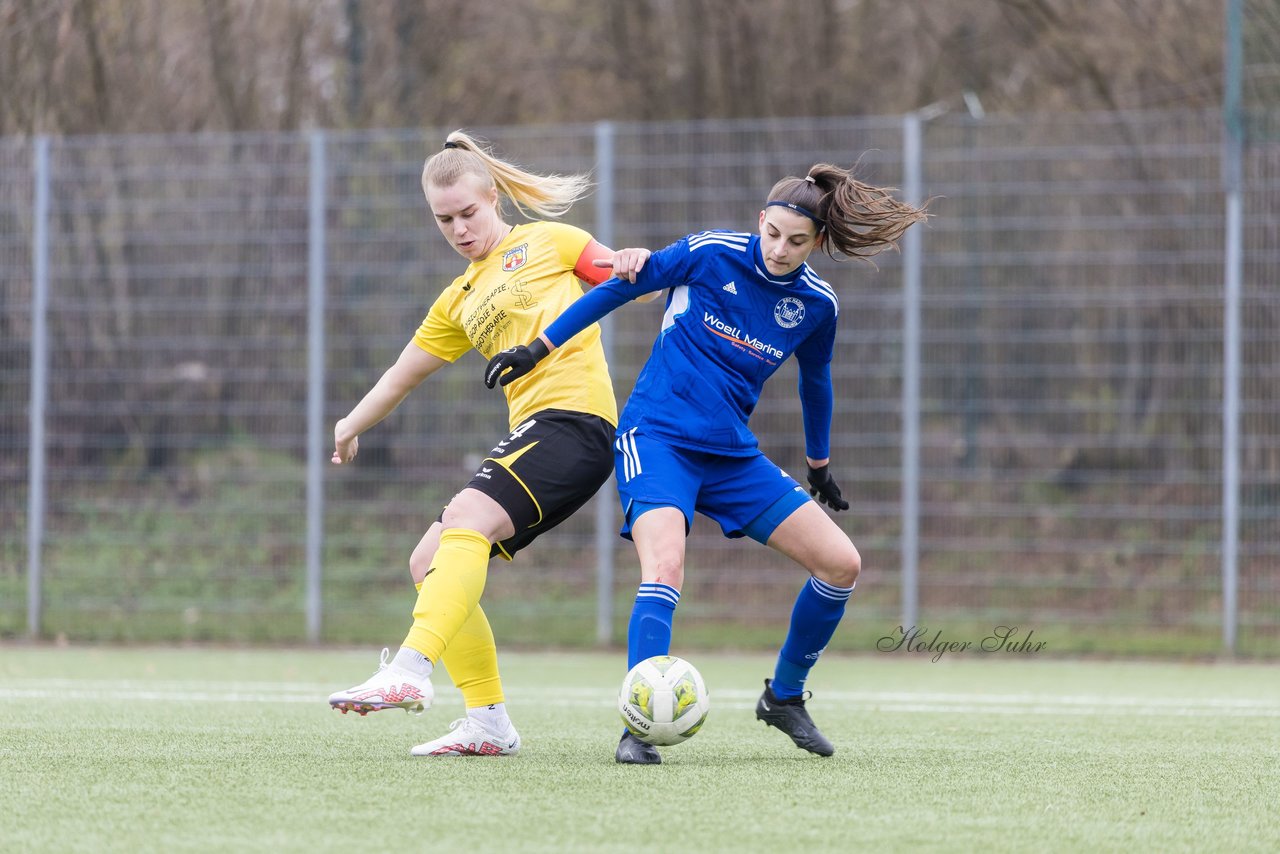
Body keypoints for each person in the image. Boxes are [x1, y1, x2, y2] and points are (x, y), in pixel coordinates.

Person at [486, 162, 929, 764]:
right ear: (760, 221)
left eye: (797, 241)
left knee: (841, 563)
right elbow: (621, 285)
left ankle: (785, 698)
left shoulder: (816, 305)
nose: (780, 249)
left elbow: (816, 382)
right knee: (665, 566)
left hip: (730, 454)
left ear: (818, 243)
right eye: (772, 233)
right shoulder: (709, 252)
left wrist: (818, 464)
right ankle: (638, 729)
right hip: (658, 437)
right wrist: (537, 347)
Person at [326, 130, 648, 757]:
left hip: (576, 422)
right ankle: (488, 722)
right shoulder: (458, 299)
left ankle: (410, 671)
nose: (458, 228)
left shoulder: (549, 241)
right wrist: (350, 423)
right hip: (537, 433)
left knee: (467, 519)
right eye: (444, 219)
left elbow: (621, 272)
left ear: (494, 198)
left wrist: (633, 258)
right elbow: (401, 375)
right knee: (428, 564)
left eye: (468, 213)